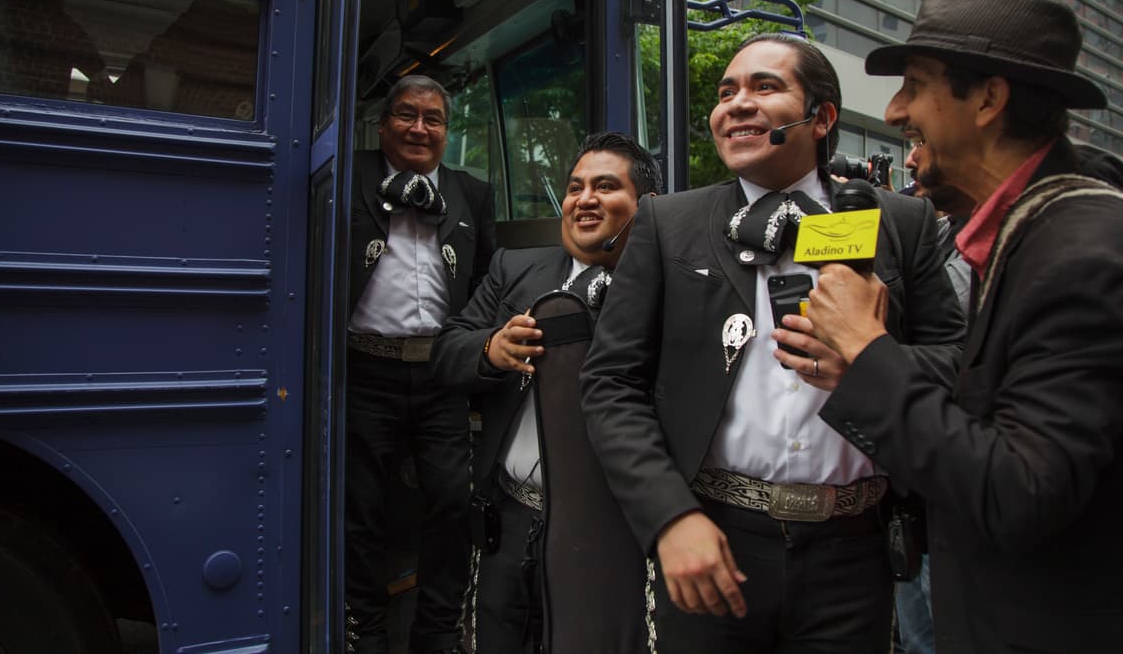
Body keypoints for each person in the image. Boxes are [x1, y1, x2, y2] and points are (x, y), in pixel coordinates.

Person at [805, 0, 1123, 653]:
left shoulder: (1083, 252)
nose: (898, 109)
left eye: (915, 83)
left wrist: (868, 352)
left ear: (990, 98)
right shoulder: (1034, 232)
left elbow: (1022, 492)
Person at [579, 32, 967, 652]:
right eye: (726, 92)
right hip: (713, 542)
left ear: (823, 118)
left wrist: (870, 362)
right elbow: (610, 383)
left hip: (857, 551)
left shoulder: (902, 223)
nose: (736, 104)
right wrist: (669, 519)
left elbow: (959, 364)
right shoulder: (666, 223)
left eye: (765, 87)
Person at [432, 131, 662, 653]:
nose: (584, 199)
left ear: (645, 205)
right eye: (575, 187)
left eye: (605, 186)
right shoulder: (514, 267)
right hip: (509, 518)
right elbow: (445, 351)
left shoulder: (668, 285)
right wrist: (490, 349)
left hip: (609, 532)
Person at [345, 74, 497, 654]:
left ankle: (436, 633)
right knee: (361, 509)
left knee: (452, 504)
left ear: (446, 130)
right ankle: (365, 630)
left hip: (441, 373)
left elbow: (485, 281)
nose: (419, 128)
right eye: (406, 115)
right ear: (383, 124)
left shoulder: (471, 192)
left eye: (433, 118)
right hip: (364, 370)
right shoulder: (350, 174)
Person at [893, 142, 975, 654]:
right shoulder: (937, 231)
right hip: (911, 492)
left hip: (961, 491)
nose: (910, 162)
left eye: (923, 139)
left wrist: (863, 351)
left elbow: (942, 333)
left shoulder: (997, 242)